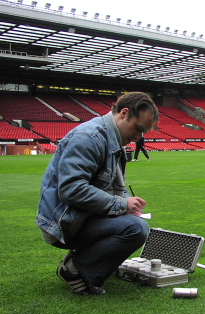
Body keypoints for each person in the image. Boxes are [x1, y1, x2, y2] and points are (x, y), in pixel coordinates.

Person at [35, 92, 159, 295]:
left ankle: (82, 262)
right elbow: (71, 189)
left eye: (142, 133)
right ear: (124, 113)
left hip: (78, 217)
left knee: (134, 223)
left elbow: (113, 186)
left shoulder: (112, 140)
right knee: (136, 229)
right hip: (62, 224)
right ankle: (75, 269)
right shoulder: (89, 138)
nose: (137, 138)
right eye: (137, 129)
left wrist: (128, 202)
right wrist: (121, 206)